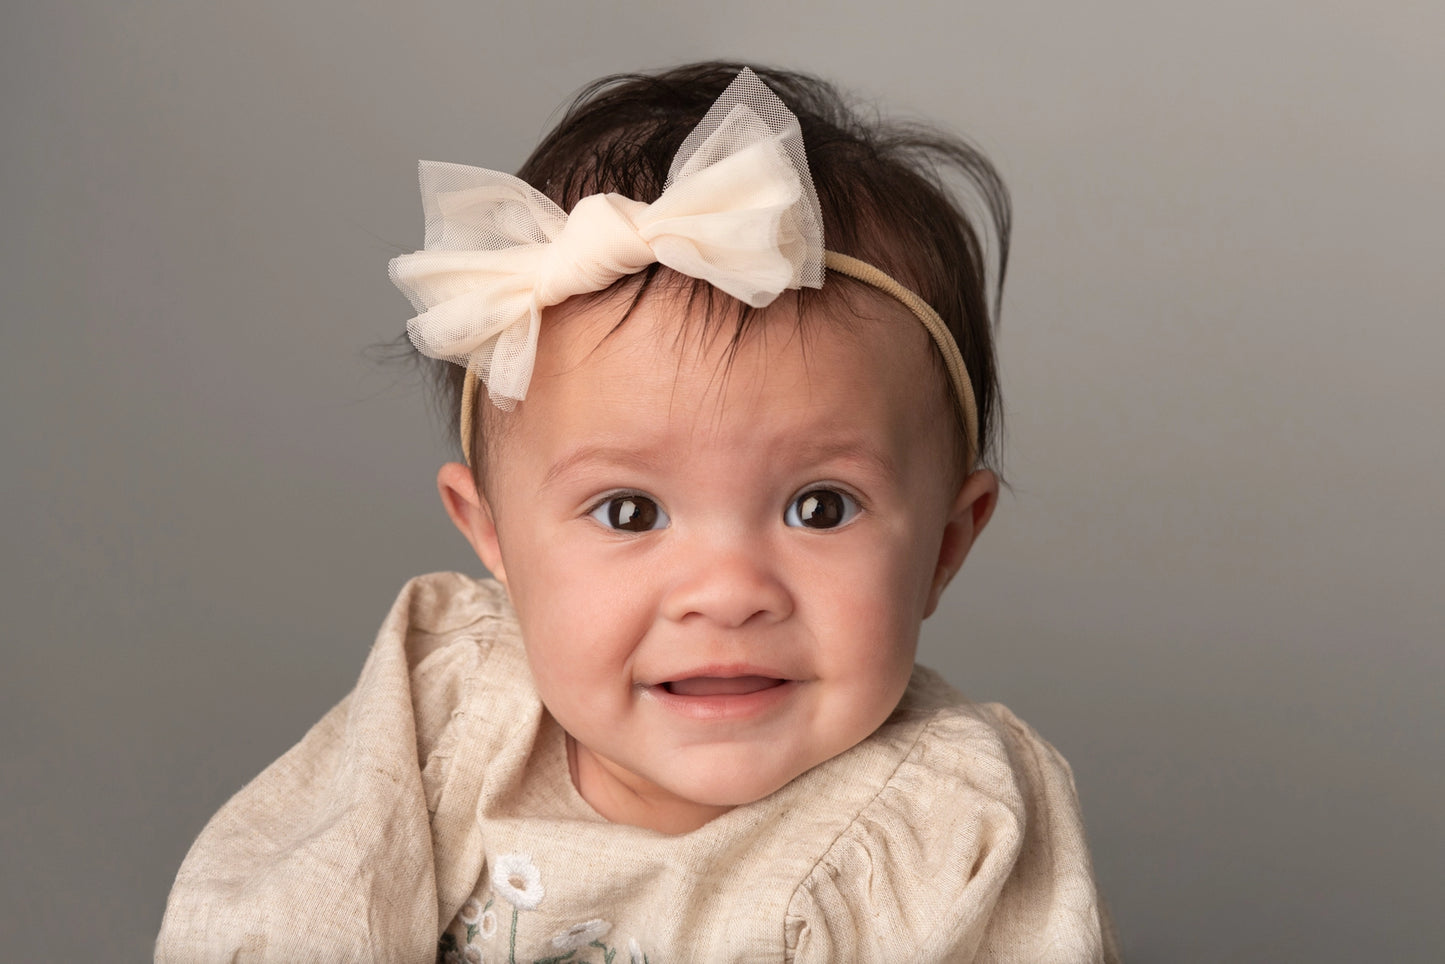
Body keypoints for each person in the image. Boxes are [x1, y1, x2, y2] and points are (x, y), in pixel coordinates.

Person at [157, 62, 1119, 963]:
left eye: (819, 507)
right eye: (628, 511)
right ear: (490, 534)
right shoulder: (442, 711)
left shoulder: (954, 828)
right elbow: (290, 920)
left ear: (946, 546)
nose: (727, 594)